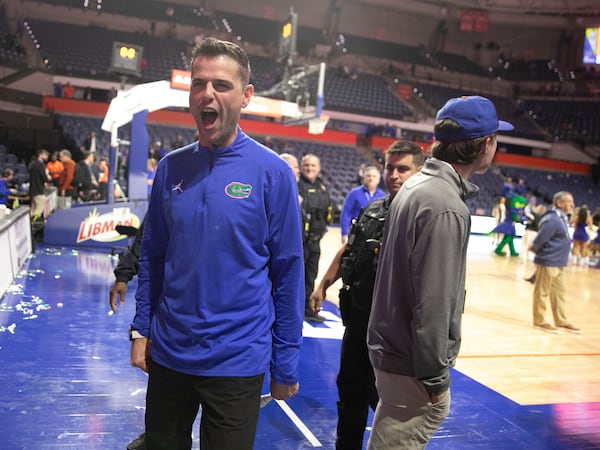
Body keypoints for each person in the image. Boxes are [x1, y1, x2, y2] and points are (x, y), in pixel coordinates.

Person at [130, 36, 304, 450]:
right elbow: (152, 255)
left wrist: (286, 361)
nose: (207, 94)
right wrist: (141, 328)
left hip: (237, 361)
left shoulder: (273, 173)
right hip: (169, 354)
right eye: (198, 83)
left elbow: (289, 273)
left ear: (246, 97)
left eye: (221, 85)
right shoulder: (172, 166)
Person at [367, 95, 513, 449]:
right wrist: (435, 378)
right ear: (485, 145)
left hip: (392, 349)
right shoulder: (445, 205)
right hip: (412, 362)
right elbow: (433, 302)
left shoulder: (417, 187)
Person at [309, 141, 424, 450]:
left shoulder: (424, 216)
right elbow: (350, 249)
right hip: (358, 324)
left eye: (403, 169)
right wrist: (324, 284)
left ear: (419, 171)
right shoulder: (374, 208)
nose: (394, 175)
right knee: (350, 396)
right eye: (390, 167)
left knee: (388, 406)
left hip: (393, 335)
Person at [108, 219, 147, 450]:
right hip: (170, 311)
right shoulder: (169, 191)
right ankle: (156, 433)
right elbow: (144, 245)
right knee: (164, 377)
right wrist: (123, 275)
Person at [530, 191, 582, 334]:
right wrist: (535, 249)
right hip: (548, 261)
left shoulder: (562, 218)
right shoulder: (552, 219)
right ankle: (539, 321)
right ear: (559, 203)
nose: (572, 204)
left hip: (560, 263)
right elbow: (541, 238)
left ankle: (561, 321)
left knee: (559, 294)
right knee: (542, 293)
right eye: (569, 201)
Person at [298, 153, 333, 322]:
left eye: (313, 166)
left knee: (311, 275)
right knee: (297, 276)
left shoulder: (322, 187)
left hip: (316, 240)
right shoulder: (296, 187)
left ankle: (306, 308)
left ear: (319, 168)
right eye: (306, 165)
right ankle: (293, 309)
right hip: (301, 241)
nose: (309, 169)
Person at [339, 165, 385, 244]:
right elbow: (346, 213)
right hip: (355, 233)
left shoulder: (383, 196)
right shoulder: (354, 193)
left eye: (374, 176)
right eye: (368, 176)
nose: (371, 178)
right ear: (364, 178)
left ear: (378, 180)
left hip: (374, 236)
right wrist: (344, 233)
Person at [28, 148, 50, 220]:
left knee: (33, 208)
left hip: (32, 190)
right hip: (38, 190)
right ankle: (34, 223)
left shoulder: (33, 164)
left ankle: (29, 222)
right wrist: (48, 178)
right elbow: (44, 178)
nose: (47, 157)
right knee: (39, 208)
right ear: (41, 155)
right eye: (45, 155)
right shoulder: (40, 165)